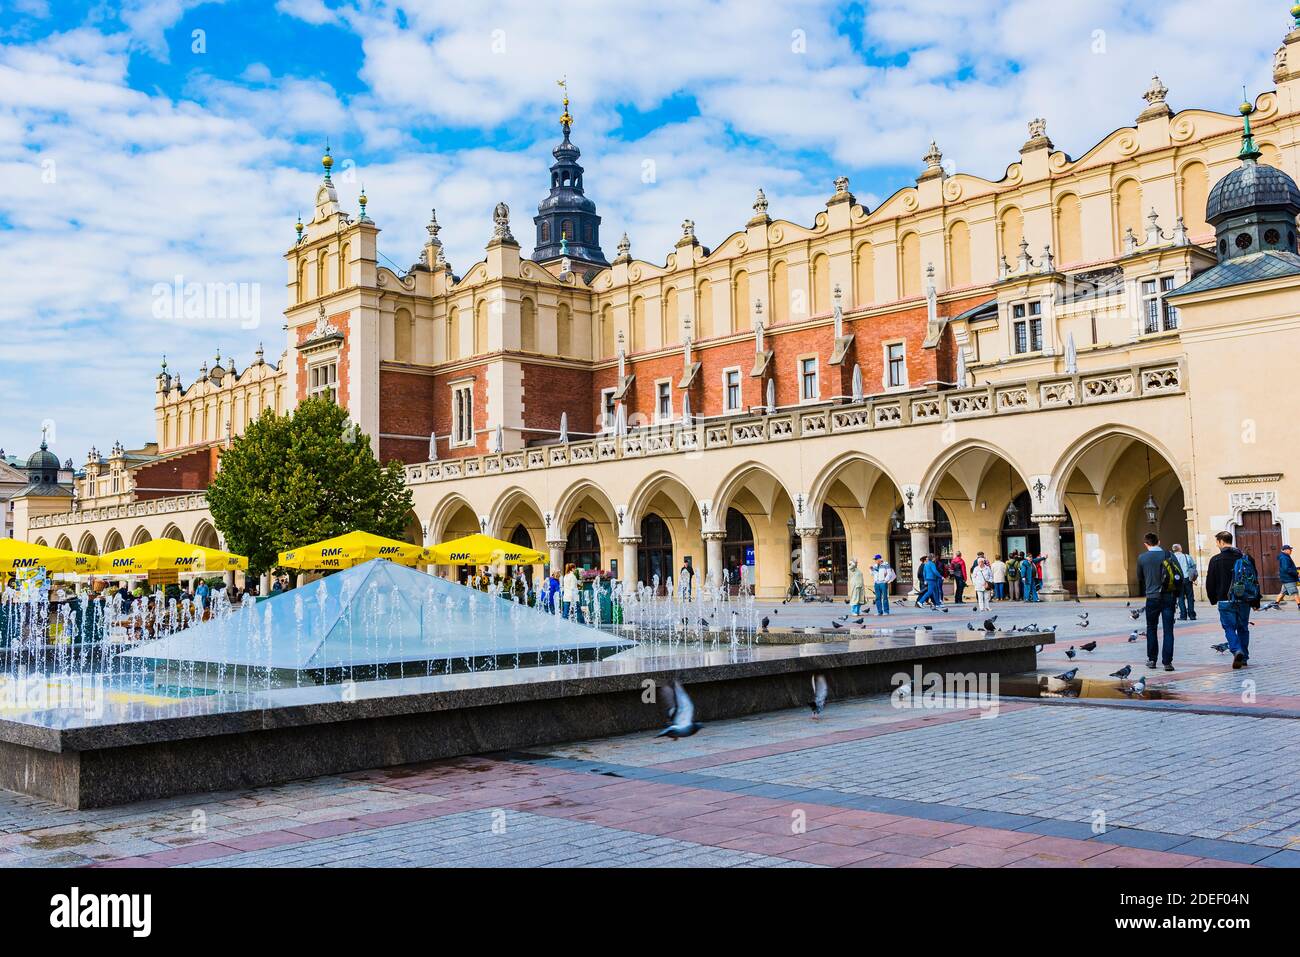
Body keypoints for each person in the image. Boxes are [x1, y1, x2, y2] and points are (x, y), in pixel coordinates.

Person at [1206, 531, 1261, 669]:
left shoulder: (1215, 559)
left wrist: (1213, 599)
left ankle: (1237, 650)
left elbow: (1210, 582)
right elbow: (1254, 580)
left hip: (1225, 600)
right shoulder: (1246, 558)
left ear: (1220, 542)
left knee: (1229, 628)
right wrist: (1255, 601)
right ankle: (1244, 658)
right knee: (1243, 628)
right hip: (1244, 600)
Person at [1138, 532, 1177, 671]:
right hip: (1168, 597)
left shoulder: (1142, 558)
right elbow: (1179, 575)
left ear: (1145, 544)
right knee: (1168, 630)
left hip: (1152, 597)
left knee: (1151, 628)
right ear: (1159, 542)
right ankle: (1167, 662)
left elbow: (1140, 577)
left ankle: (1152, 660)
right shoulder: (1169, 555)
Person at [1170, 543, 1197, 621]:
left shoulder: (1172, 558)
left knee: (1180, 598)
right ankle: (1192, 615)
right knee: (1190, 597)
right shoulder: (1187, 556)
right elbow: (1193, 566)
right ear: (1180, 549)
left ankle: (1183, 615)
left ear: (1173, 550)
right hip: (1187, 579)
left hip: (1178, 580)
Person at [1276, 544, 1299, 610]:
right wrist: (1296, 573)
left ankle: (1275, 604)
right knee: (1295, 592)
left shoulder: (1285, 556)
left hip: (1286, 578)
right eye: (1290, 549)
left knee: (1283, 592)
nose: (1291, 550)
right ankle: (1299, 605)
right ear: (1285, 550)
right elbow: (1286, 569)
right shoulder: (1284, 558)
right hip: (1288, 578)